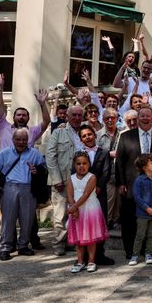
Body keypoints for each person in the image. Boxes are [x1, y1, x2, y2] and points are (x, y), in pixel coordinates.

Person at [115, 106, 152, 259]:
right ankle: (130, 251)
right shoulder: (126, 136)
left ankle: (148, 251)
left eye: (148, 116)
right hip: (131, 184)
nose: (145, 118)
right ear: (137, 119)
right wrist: (121, 183)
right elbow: (119, 161)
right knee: (130, 219)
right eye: (142, 116)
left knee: (150, 219)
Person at [0, 129, 45, 261]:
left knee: (28, 219)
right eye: (18, 139)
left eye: (24, 139)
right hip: (9, 188)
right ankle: (5, 248)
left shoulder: (34, 153)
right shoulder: (4, 153)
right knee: (8, 219)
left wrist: (37, 171)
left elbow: (44, 170)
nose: (21, 142)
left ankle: (23, 246)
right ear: (13, 140)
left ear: (27, 140)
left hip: (29, 189)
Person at [46, 105, 85, 256]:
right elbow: (50, 156)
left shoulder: (85, 132)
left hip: (80, 182)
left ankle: (72, 241)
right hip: (61, 181)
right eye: (73, 115)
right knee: (60, 215)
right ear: (67, 116)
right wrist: (56, 179)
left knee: (78, 213)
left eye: (79, 115)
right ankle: (58, 244)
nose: (76, 118)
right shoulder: (59, 132)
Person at [67, 152, 109, 273]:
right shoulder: (71, 178)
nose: (81, 166)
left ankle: (91, 260)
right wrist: (73, 208)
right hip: (77, 210)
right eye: (78, 164)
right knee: (79, 238)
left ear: (89, 164)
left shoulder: (92, 177)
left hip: (90, 210)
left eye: (84, 163)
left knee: (90, 237)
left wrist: (73, 207)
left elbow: (86, 194)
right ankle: (80, 261)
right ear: (74, 165)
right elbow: (70, 195)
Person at [77, 126, 114, 266]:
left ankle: (99, 254)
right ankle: (84, 256)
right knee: (84, 224)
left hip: (99, 193)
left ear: (95, 135)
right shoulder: (78, 154)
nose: (88, 137)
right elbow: (75, 172)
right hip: (81, 195)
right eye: (84, 136)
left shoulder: (103, 153)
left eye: (90, 134)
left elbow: (106, 172)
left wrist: (97, 188)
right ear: (81, 139)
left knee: (99, 222)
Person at [128, 153, 152, 266]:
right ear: (145, 167)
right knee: (140, 235)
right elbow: (137, 197)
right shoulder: (139, 180)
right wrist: (146, 208)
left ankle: (149, 253)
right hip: (143, 213)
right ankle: (135, 255)